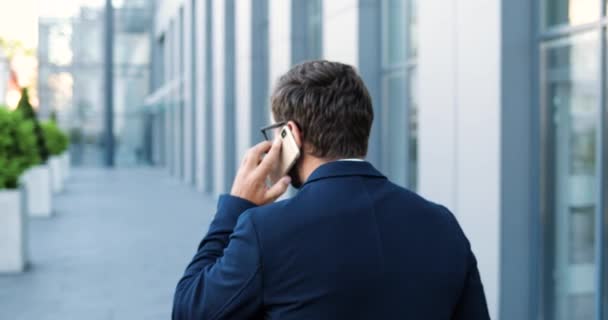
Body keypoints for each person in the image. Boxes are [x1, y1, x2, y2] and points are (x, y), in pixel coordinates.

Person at [172, 60, 490, 319]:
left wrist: (235, 207)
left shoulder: (265, 231)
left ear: (291, 134)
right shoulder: (441, 224)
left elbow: (190, 310)